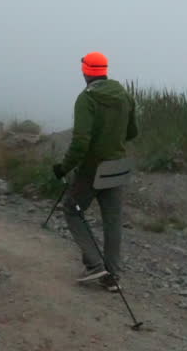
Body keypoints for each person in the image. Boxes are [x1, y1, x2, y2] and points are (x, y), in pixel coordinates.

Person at [52, 52, 139, 292]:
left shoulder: (86, 99)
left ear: (86, 71)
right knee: (112, 220)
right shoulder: (124, 95)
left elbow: (80, 142)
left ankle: (94, 264)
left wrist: (63, 168)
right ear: (104, 70)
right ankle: (112, 276)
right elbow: (132, 132)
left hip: (93, 168)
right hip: (118, 166)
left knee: (72, 209)